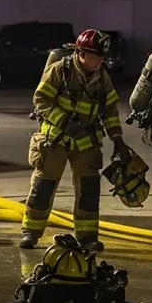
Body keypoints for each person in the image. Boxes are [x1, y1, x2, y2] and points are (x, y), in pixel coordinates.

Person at [21, 29, 131, 252]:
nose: (100, 61)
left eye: (102, 57)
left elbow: (109, 109)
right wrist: (63, 121)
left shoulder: (102, 77)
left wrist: (118, 140)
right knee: (43, 187)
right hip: (55, 140)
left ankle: (88, 236)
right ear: (81, 53)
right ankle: (31, 233)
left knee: (89, 190)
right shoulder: (60, 70)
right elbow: (40, 98)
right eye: (96, 56)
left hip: (85, 141)